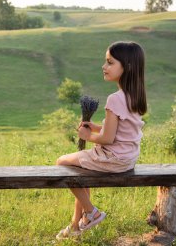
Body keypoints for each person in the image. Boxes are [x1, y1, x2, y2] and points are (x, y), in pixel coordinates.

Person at [55, 41, 147, 240]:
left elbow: (108, 138)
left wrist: (88, 136)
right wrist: (94, 127)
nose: (104, 67)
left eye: (110, 62)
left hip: (112, 158)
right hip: (127, 158)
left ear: (127, 67)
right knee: (79, 172)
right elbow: (121, 130)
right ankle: (75, 226)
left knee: (62, 162)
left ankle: (92, 212)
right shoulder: (134, 95)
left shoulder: (114, 99)